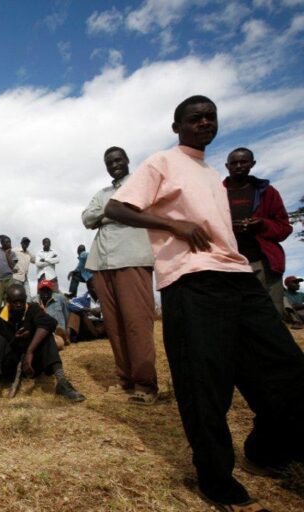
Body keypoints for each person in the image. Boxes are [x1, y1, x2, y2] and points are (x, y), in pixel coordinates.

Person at [105, 95, 304, 511]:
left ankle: (265, 451)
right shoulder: (162, 161)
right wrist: (172, 223)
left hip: (239, 278)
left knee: (286, 369)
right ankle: (215, 479)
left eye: (210, 117)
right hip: (192, 281)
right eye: (195, 118)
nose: (204, 122)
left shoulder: (214, 175)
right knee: (205, 385)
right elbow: (117, 207)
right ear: (177, 126)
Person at [82, 146, 158, 405]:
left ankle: (145, 384)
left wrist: (107, 216)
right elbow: (87, 218)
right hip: (102, 261)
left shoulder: (141, 185)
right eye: (108, 161)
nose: (114, 164)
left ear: (126, 160)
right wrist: (111, 213)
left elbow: (146, 213)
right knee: (114, 324)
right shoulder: (102, 194)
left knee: (136, 323)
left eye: (117, 159)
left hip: (133, 257)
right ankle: (125, 380)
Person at [0, 283, 85, 405]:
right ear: (7, 301)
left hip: (33, 364)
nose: (19, 304)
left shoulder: (33, 309)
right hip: (9, 365)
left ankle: (62, 383)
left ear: (26, 299)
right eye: (15, 301)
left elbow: (49, 323)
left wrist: (30, 351)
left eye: (22, 301)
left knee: (46, 336)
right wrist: (15, 340)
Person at [224, 147, 292, 316]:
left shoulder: (266, 192)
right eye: (234, 163)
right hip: (228, 264)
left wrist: (262, 225)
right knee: (235, 316)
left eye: (243, 162)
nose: (238, 166)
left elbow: (284, 228)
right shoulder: (216, 193)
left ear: (252, 164)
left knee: (271, 316)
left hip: (263, 264)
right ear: (227, 166)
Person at [12, 237, 35, 301]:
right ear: (21, 243)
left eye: (27, 243)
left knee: (28, 297)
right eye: (24, 242)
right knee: (16, 296)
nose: (26, 244)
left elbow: (36, 260)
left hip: (25, 278)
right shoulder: (15, 250)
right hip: (16, 277)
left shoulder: (29, 253)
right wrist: (11, 268)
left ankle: (27, 310)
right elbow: (7, 255)